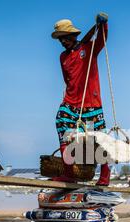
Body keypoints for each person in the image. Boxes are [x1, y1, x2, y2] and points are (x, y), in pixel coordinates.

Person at [51, 13, 111, 186]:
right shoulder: (63, 57)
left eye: (65, 37)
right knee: (63, 131)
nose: (62, 41)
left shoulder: (89, 48)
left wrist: (104, 24)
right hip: (70, 105)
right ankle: (70, 174)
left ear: (74, 35)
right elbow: (67, 79)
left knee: (97, 140)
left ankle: (105, 176)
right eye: (60, 39)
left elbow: (102, 37)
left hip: (91, 105)